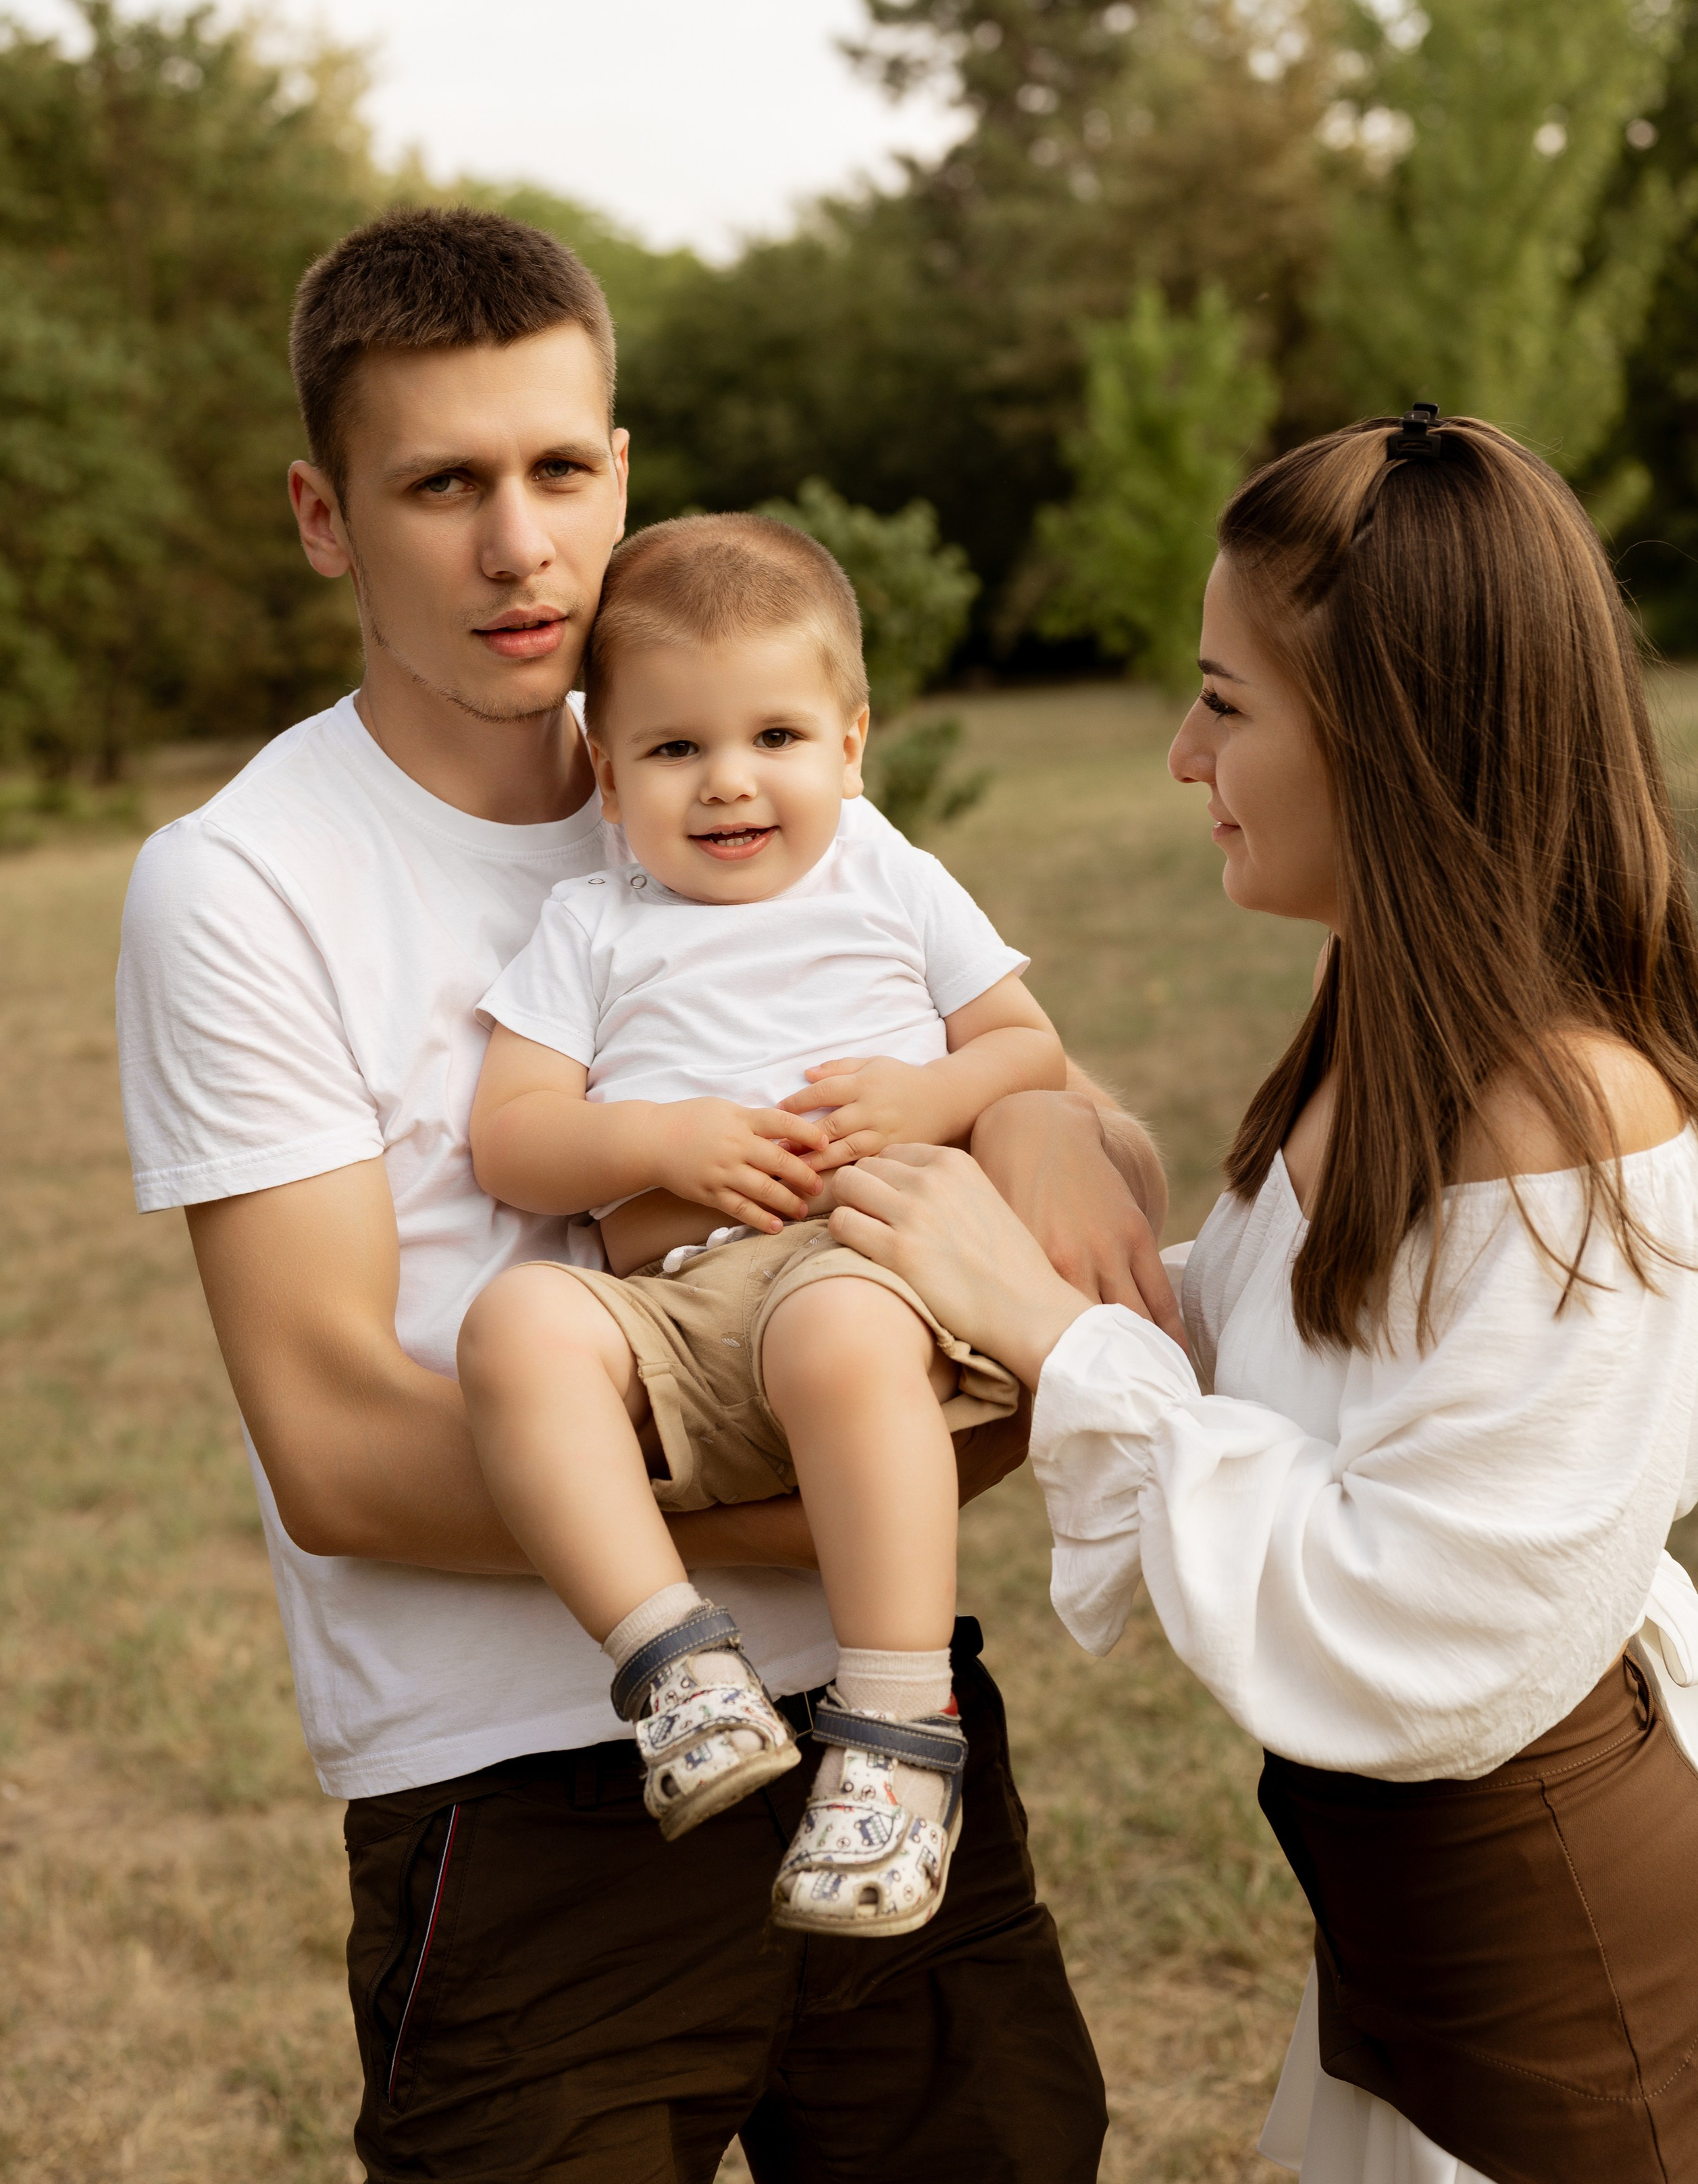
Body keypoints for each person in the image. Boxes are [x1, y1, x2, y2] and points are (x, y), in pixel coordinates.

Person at [115, 205, 1170, 2181]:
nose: (519, 544)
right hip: (533, 1809)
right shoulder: (247, 880)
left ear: (622, 468)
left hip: (898, 1744)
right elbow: (341, 1447)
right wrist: (886, 1487)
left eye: (560, 469)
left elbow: (1039, 1092)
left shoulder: (740, 762)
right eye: (442, 484)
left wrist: (1037, 1130)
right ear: (324, 517)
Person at [819, 409, 1698, 2183]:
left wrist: (1049, 1324)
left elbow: (1429, 1633)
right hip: (1413, 1966)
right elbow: (1246, 1380)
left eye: (1226, 702)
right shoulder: (1381, 1038)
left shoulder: (1577, 1122)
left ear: (1392, 740)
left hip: (1568, 2016)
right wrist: (1032, 1120)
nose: (1179, 755)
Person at [459, 509, 1066, 1939]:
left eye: (776, 738)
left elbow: (1026, 1048)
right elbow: (514, 1137)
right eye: (673, 750)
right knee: (518, 1323)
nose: (729, 783)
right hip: (672, 1305)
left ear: (851, 745)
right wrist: (659, 1136)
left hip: (853, 1257)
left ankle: (895, 1736)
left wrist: (927, 1095)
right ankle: (676, 1664)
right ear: (606, 774)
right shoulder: (593, 926)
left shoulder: (888, 875)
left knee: (842, 1337)